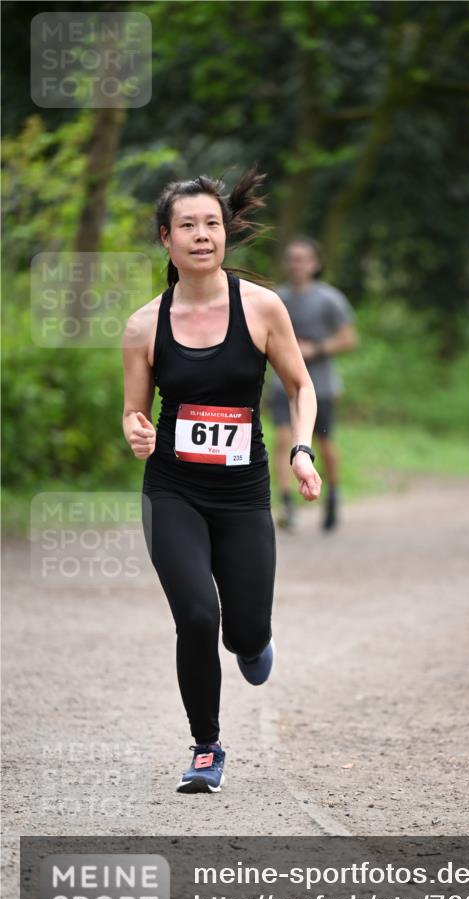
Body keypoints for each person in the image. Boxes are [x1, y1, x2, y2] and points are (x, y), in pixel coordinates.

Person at [121, 171, 321, 793]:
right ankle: (206, 748)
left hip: (242, 494)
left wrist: (302, 451)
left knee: (245, 633)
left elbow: (301, 387)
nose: (202, 235)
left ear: (226, 232)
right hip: (172, 490)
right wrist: (135, 431)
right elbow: (133, 411)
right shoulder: (144, 325)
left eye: (211, 223)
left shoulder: (261, 307)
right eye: (187, 225)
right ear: (166, 238)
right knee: (197, 615)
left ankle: (254, 640)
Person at [266, 237, 359, 531]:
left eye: (302, 258)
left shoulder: (330, 299)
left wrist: (315, 349)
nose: (296, 264)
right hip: (282, 384)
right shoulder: (276, 298)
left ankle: (332, 494)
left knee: (324, 442)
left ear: (315, 264)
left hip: (321, 386)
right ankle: (287, 504)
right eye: (292, 258)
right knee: (283, 440)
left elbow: (349, 338)